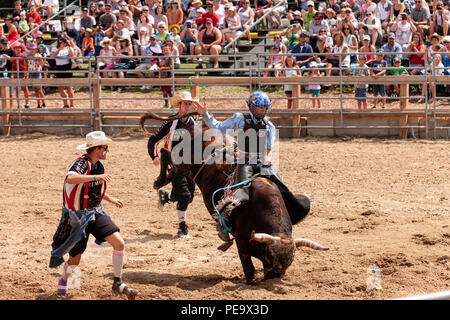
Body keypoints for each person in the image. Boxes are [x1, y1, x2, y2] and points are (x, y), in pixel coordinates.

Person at [193, 92, 310, 243]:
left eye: (264, 108)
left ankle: (294, 211)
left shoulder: (270, 126)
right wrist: (206, 115)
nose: (262, 111)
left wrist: (267, 163)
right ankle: (224, 224)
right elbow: (219, 128)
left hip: (262, 162)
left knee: (281, 189)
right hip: (244, 162)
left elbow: (268, 150)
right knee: (239, 192)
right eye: (259, 108)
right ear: (251, 107)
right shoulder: (239, 119)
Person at [49, 131, 138, 299]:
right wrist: (97, 177)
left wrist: (110, 199)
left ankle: (117, 282)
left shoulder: (98, 166)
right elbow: (71, 179)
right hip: (77, 216)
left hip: (95, 211)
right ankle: (64, 281)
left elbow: (91, 189)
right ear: (97, 149)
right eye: (105, 148)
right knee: (75, 258)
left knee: (119, 243)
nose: (107, 151)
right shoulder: (80, 163)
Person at [148, 91, 198, 238]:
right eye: (185, 103)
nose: (187, 106)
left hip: (191, 165)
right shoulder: (171, 122)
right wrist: (154, 156)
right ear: (179, 105)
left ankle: (167, 197)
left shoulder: (195, 121)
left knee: (189, 196)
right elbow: (153, 140)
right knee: (184, 195)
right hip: (174, 165)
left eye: (189, 103)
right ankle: (182, 227)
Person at [51, 35, 75, 108]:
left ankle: (72, 104)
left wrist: (69, 45)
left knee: (69, 87)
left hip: (67, 66)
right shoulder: (54, 47)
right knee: (60, 87)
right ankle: (65, 104)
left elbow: (72, 55)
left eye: (63, 40)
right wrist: (60, 48)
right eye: (60, 40)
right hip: (59, 67)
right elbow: (54, 55)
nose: (61, 41)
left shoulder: (68, 48)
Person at [27, 43, 47, 108]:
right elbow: (27, 64)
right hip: (32, 73)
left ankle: (44, 103)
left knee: (39, 89)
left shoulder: (38, 55)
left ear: (36, 49)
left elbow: (42, 64)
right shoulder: (28, 55)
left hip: (37, 73)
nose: (32, 50)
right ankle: (38, 104)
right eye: (31, 49)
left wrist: (38, 59)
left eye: (33, 49)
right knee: (35, 89)